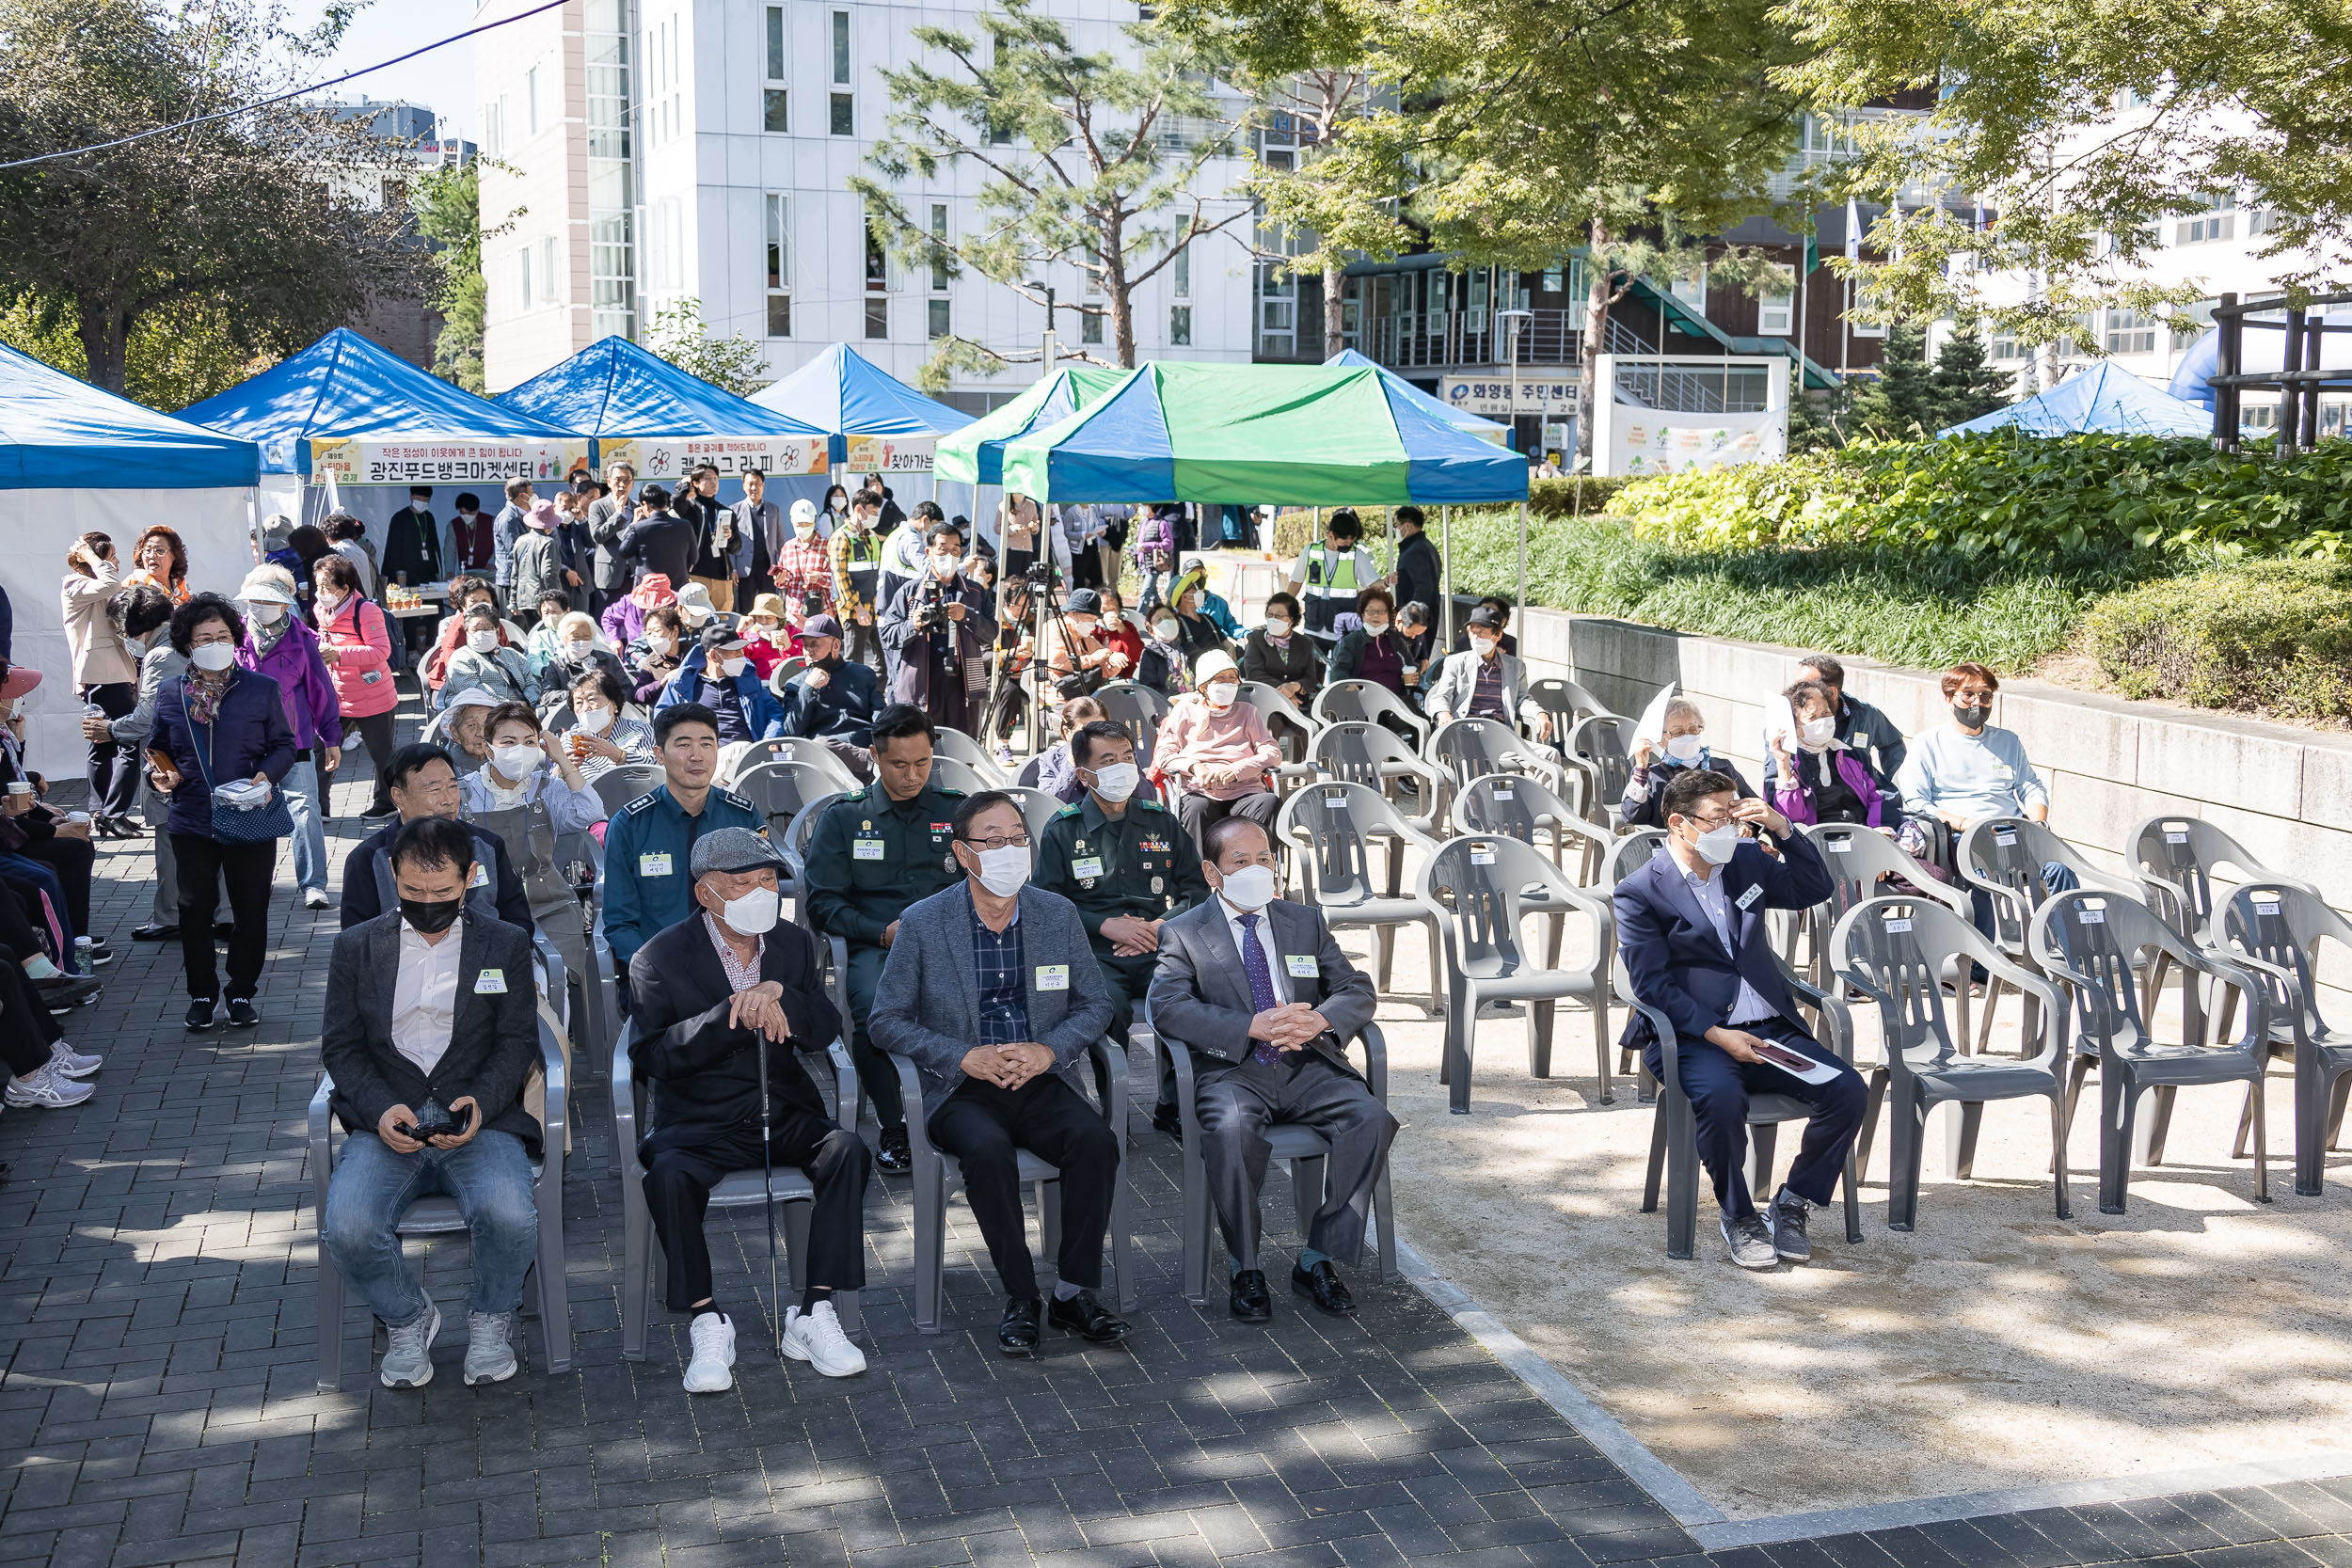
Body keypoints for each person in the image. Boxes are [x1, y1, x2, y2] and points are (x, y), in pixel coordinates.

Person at [868, 790, 1129, 1356]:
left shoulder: (1055, 914)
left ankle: (1071, 1290)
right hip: (962, 1086)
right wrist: (962, 1057)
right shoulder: (924, 922)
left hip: (1040, 1076)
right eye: (994, 840)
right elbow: (885, 1020)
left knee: (1095, 1142)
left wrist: (1047, 1050)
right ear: (964, 854)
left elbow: (1095, 1004)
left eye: (1018, 837)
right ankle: (1020, 1296)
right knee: (987, 1153)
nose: (1011, 849)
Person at [628, 827, 868, 1391]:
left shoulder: (791, 943)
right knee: (667, 1175)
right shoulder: (658, 958)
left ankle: (813, 1311)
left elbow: (825, 1028)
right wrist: (732, 1013)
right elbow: (653, 1056)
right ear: (705, 894)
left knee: (847, 1150)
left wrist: (783, 996)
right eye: (742, 884)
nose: (760, 891)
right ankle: (706, 1317)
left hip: (783, 1107)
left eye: (767, 880)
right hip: (700, 1118)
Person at [319, 816, 543, 1389]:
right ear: (393, 875)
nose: (428, 903)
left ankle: (492, 1318)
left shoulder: (506, 943)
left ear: (471, 878)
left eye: (442, 892)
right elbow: (340, 1047)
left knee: (510, 1215)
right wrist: (376, 1109)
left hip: (479, 1121)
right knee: (346, 1227)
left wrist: (482, 1102)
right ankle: (407, 1316)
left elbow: (517, 1041)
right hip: (386, 1124)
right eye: (413, 891)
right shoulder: (356, 946)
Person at [1613, 768, 1863, 1270]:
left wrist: (1783, 828)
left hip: (1768, 1029)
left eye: (1736, 812)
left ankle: (1792, 1203)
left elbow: (1814, 887)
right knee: (1722, 1099)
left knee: (1848, 1090)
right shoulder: (1641, 890)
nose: (1732, 826)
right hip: (1693, 1036)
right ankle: (1738, 1214)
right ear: (1680, 824)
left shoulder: (1746, 860)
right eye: (1719, 817)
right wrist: (1717, 1035)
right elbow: (1652, 986)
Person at [1146, 816, 1392, 1319]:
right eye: (1241, 861)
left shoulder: (1303, 920)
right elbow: (1167, 1007)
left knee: (1370, 1119)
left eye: (1265, 859)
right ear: (1213, 873)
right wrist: (1248, 1026)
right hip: (1233, 1070)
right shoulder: (1185, 931)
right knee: (1232, 1130)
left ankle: (1317, 1257)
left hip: (1308, 1064)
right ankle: (1245, 1265)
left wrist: (1320, 1019)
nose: (1256, 870)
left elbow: (1357, 987)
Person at [802, 705, 966, 1176]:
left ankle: (962, 1108)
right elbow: (824, 903)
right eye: (899, 764)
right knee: (877, 1008)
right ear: (874, 756)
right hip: (880, 944)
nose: (912, 775)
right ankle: (894, 1123)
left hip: (954, 942)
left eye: (923, 763)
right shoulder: (844, 818)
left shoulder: (956, 810)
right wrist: (880, 931)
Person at [1033, 720, 1209, 1134]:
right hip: (1096, 952)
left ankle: (1174, 1103)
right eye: (1108, 760)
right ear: (1084, 774)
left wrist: (1159, 927)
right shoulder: (1064, 829)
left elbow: (1198, 890)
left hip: (1159, 945)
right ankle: (1114, 1112)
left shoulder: (1160, 821)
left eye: (1127, 757)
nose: (1122, 767)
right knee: (1105, 1007)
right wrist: (1105, 926)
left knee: (1187, 994)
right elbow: (1046, 906)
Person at [145, 593, 296, 1031]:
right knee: (194, 908)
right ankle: (201, 993)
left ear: (235, 639)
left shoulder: (261, 689)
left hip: (249, 815)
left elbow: (285, 745)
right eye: (205, 637)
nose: (215, 643)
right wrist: (163, 776)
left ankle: (241, 991)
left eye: (223, 635)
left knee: (251, 909)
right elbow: (158, 748)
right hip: (192, 819)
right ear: (188, 644)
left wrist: (266, 776)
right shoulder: (172, 693)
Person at [1894, 662, 2075, 929]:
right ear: (1949, 698)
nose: (1977, 702)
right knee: (1985, 876)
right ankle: (1982, 963)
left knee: (2059, 870)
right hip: (1961, 836)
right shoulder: (1929, 743)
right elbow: (1916, 801)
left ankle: (2077, 956)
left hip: (2013, 832)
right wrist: (1962, 822)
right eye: (1968, 694)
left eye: (1986, 695)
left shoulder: (2008, 741)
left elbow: (2030, 786)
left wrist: (2038, 823)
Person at [601, 704, 763, 973]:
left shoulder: (742, 818)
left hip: (735, 967)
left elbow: (764, 901)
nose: (697, 756)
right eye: (684, 745)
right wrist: (651, 970)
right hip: (660, 969)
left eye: (706, 744)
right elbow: (620, 922)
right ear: (659, 755)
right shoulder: (631, 824)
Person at [90, 586, 201, 938]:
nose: (123, 636)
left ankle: (169, 916)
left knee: (171, 841)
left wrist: (109, 728)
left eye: (122, 628)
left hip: (171, 762)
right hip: (200, 755)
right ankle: (220, 912)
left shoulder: (161, 654)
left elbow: (149, 715)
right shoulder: (185, 640)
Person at [236, 567, 342, 911]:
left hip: (294, 741)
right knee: (250, 811)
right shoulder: (234, 636)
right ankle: (254, 881)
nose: (261, 605)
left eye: (270, 599)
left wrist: (331, 737)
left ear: (285, 604)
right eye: (256, 598)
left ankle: (313, 883)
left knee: (305, 810)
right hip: (247, 744)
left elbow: (321, 691)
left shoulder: (301, 640)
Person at [341, 744, 532, 931]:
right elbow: (357, 939)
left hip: (483, 959)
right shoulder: (368, 859)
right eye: (434, 790)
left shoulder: (488, 846)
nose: (448, 800)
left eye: (453, 786)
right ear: (399, 797)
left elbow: (518, 921)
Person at [1155, 652, 1282, 854]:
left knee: (1268, 802)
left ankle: (1257, 873)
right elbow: (1164, 755)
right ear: (1204, 685)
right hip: (1201, 790)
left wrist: (1236, 770)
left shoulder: (1247, 712)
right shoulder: (1185, 711)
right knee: (1197, 809)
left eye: (1233, 678)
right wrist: (1196, 768)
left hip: (1245, 790)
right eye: (1220, 678)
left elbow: (1272, 752)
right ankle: (1199, 879)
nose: (1228, 683)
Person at [880, 518, 994, 739]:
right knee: (919, 747)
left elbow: (991, 633)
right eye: (943, 549)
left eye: (955, 550)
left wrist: (968, 616)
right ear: (929, 552)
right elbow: (888, 635)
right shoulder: (910, 592)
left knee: (961, 747)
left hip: (963, 685)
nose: (949, 556)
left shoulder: (975, 592)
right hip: (920, 684)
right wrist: (912, 625)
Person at [62, 531, 142, 836]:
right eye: (112, 556)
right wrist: (96, 557)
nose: (116, 562)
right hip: (102, 674)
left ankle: (103, 811)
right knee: (127, 741)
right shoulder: (74, 584)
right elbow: (109, 584)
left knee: (104, 745)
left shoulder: (89, 587)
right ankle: (113, 812)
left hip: (112, 672)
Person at [313, 556, 401, 820]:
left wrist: (339, 653)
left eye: (327, 587)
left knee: (381, 754)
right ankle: (320, 807)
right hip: (335, 695)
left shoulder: (366, 611)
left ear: (346, 588)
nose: (321, 593)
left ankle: (385, 804)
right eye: (318, 586)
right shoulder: (322, 609)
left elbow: (380, 651)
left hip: (373, 696)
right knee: (322, 750)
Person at [1772, 653, 1905, 817]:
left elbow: (1891, 750)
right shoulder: (1783, 733)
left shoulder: (1865, 718)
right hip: (1811, 824)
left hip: (1856, 817)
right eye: (1812, 718)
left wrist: (1896, 787)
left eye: (1805, 684)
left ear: (1831, 692)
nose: (1798, 690)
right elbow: (1780, 804)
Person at [459, 702, 606, 832]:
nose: (520, 749)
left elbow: (591, 812)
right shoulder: (465, 793)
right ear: (487, 748)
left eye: (529, 742)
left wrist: (562, 758)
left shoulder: (547, 789)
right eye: (509, 742)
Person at [1422, 605, 1557, 740]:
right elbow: (1441, 695)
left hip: (1500, 733)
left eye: (1481, 632)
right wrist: (1443, 712)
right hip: (1465, 732)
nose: (1476, 637)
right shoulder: (1455, 662)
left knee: (1550, 754)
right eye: (1472, 632)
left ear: (1497, 635)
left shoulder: (1515, 667)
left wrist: (1539, 713)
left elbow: (1522, 700)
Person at [1768, 679, 1888, 830]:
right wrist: (1783, 766)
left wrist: (1879, 828)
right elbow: (1790, 819)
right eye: (1813, 717)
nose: (1823, 721)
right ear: (1794, 726)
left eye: (1826, 713)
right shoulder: (1788, 763)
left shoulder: (1851, 755)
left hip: (1861, 837)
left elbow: (1881, 794)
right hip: (1815, 842)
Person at [1622, 697, 1755, 830]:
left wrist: (1746, 826)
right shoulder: (1653, 776)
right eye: (1678, 732)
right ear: (1660, 739)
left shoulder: (1722, 767)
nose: (1687, 736)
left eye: (1693, 729)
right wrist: (1641, 769)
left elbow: (1753, 805)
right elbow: (1632, 816)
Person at [774, 614, 880, 779]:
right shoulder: (796, 684)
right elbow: (792, 731)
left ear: (836, 645)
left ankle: (878, 758)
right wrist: (808, 689)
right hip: (825, 758)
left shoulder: (862, 674)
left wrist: (884, 739)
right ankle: (875, 761)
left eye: (815, 644)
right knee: (820, 745)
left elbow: (880, 712)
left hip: (865, 741)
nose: (808, 650)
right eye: (805, 644)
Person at [653, 625, 785, 744]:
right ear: (714, 655)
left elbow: (775, 714)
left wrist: (770, 738)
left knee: (741, 747)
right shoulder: (681, 686)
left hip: (748, 755)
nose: (741, 655)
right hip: (701, 758)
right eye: (734, 651)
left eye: (741, 650)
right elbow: (661, 721)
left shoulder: (749, 682)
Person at [1288, 510, 1383, 636]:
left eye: (1351, 542)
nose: (1348, 546)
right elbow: (1296, 582)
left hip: (1343, 630)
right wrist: (1284, 607)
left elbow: (1374, 583)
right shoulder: (1310, 552)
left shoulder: (1357, 555)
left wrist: (1387, 582)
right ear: (1331, 536)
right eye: (1344, 543)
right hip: (1313, 627)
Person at [559, 669, 657, 781]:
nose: (585, 708)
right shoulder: (569, 738)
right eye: (579, 702)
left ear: (614, 704)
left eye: (592, 699)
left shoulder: (640, 729)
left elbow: (653, 768)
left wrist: (619, 756)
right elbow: (554, 784)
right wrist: (561, 769)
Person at [830, 490, 889, 673]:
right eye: (872, 512)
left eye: (877, 512)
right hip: (855, 612)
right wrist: (858, 608)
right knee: (854, 663)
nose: (875, 517)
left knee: (883, 661)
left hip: (875, 607)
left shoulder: (872, 536)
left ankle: (877, 698)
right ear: (858, 509)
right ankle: (853, 701)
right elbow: (840, 578)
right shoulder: (841, 537)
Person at [1038, 588, 1129, 705]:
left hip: (1084, 694)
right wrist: (1092, 659)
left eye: (1095, 620)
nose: (1092, 624)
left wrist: (1113, 660)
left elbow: (1104, 662)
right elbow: (1058, 662)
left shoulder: (1084, 635)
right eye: (1089, 619)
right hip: (1056, 696)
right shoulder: (1052, 628)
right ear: (1073, 613)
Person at [1325, 587, 1413, 703]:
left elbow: (1410, 665)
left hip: (1397, 703)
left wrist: (1412, 678)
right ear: (1362, 614)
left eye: (1381, 611)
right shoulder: (1351, 642)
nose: (1376, 615)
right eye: (1370, 611)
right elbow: (1339, 671)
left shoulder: (1396, 640)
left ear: (1388, 616)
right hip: (1363, 705)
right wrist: (1348, 683)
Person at [441, 605, 535, 707]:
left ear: (497, 632)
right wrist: (509, 706)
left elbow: (532, 683)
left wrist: (526, 702)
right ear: (467, 633)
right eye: (475, 629)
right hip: (484, 713)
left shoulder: (514, 655)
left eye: (487, 628)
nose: (481, 633)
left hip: (524, 711)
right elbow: (473, 692)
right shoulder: (461, 658)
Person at [613, 484, 699, 591]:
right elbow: (693, 558)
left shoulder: (639, 528)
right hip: (677, 587)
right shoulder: (685, 526)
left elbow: (624, 552)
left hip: (648, 590)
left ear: (645, 505)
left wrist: (633, 524)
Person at [1241, 592, 1318, 707]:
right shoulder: (1256, 639)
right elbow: (1255, 674)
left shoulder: (1305, 643)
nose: (1273, 619)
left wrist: (1295, 686)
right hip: (1264, 701)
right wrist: (1286, 693)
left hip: (1299, 703)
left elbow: (1310, 678)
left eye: (1278, 616)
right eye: (1270, 615)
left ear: (1291, 620)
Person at [1031, 695, 1109, 803]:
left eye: (1100, 729)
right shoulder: (1050, 759)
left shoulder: (1119, 754)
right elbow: (1047, 804)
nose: (1094, 737)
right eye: (1086, 731)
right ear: (1067, 732)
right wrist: (1071, 765)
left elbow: (1140, 796)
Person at [536, 610, 628, 703]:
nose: (581, 641)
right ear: (564, 640)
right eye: (575, 638)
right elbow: (546, 695)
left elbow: (627, 689)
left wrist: (609, 698)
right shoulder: (557, 665)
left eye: (586, 637)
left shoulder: (609, 659)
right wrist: (579, 695)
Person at [729, 467, 786, 606]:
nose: (754, 488)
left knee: (769, 606)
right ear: (743, 485)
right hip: (745, 568)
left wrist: (782, 566)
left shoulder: (774, 510)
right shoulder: (734, 511)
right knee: (746, 608)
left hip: (768, 568)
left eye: (758, 484)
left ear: (763, 485)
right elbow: (730, 544)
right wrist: (733, 568)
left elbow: (780, 542)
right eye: (750, 484)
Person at [586, 463, 638, 613]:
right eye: (618, 480)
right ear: (609, 482)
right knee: (608, 619)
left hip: (633, 572)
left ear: (632, 483)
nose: (622, 485)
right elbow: (598, 536)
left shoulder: (637, 508)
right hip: (610, 572)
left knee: (632, 620)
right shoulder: (597, 506)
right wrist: (618, 515)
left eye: (627, 480)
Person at [509, 500, 567, 626]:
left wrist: (513, 599)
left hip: (523, 598)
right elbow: (548, 574)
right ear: (548, 525)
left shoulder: (520, 540)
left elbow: (515, 572)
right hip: (543, 600)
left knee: (532, 634)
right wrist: (555, 599)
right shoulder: (548, 542)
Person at [628, 605, 691, 704]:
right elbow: (638, 695)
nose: (652, 636)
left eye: (657, 631)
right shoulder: (650, 662)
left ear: (674, 632)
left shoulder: (693, 653)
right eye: (649, 633)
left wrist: (683, 671)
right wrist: (664, 681)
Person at [382, 486, 442, 587]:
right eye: (419, 499)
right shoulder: (400, 518)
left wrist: (438, 572)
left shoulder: (429, 517)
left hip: (428, 574)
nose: (422, 502)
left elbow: (435, 546)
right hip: (406, 575)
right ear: (411, 496)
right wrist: (400, 576)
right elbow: (393, 551)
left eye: (426, 500)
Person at [600, 571, 674, 651]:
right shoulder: (629, 602)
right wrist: (614, 640)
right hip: (635, 653)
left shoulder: (677, 604)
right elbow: (608, 616)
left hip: (668, 652)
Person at [491, 476, 535, 608]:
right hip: (510, 580)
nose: (533, 496)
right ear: (522, 496)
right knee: (514, 625)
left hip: (524, 579)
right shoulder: (507, 518)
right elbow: (515, 550)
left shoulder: (524, 514)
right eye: (531, 493)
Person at [1391, 506, 1441, 617]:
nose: (1395, 529)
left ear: (1408, 526)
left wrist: (1412, 617)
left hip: (1416, 619)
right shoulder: (1426, 546)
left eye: (1396, 525)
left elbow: (1423, 586)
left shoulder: (1415, 550)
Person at [125, 524, 191, 605]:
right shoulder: (134, 584)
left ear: (174, 555)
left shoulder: (179, 584)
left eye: (159, 550)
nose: (152, 556)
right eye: (147, 550)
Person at [737, 594, 796, 678]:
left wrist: (789, 648)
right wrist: (739, 633)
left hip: (788, 680)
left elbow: (801, 663)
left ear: (778, 618)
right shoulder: (749, 636)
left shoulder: (793, 633)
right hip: (761, 682)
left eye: (768, 618)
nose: (763, 621)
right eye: (759, 617)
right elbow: (738, 662)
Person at [325, 513, 380, 600]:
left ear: (327, 537)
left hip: (351, 606)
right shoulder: (359, 550)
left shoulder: (336, 551)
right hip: (366, 603)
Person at [1450, 595, 1519, 657]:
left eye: (1491, 612)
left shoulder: (1511, 644)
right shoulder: (1464, 643)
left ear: (1503, 621)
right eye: (1481, 611)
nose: (1484, 615)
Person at [446, 493, 495, 578]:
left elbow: (500, 545)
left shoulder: (491, 522)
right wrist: (449, 571)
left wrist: (492, 561)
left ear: (477, 509)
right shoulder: (453, 525)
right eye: (462, 512)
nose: (466, 516)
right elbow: (449, 551)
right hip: (466, 573)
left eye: (470, 513)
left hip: (489, 572)